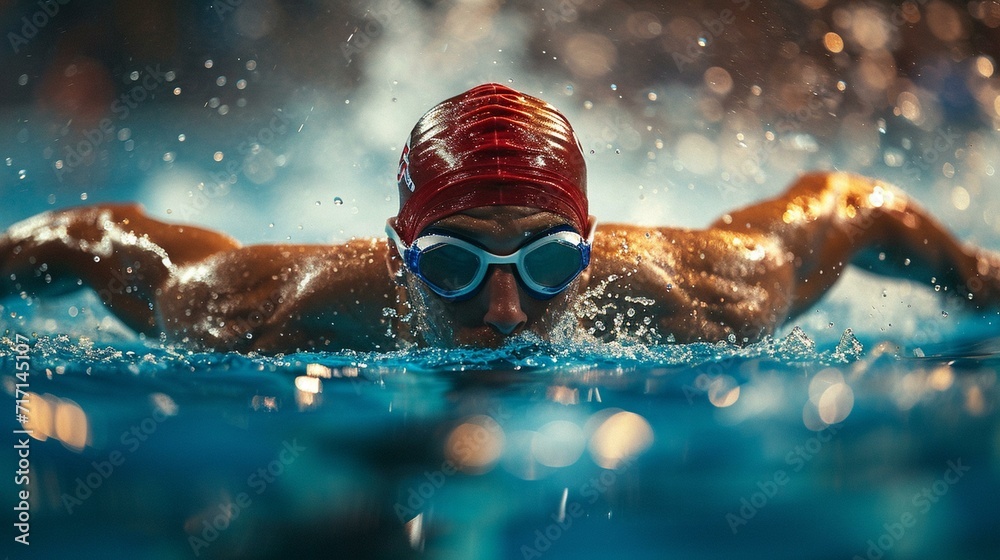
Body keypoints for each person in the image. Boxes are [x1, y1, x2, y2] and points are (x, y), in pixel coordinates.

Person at [2, 83, 999, 352]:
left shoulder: (698, 296)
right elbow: (91, 237)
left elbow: (846, 205)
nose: (508, 310)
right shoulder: (272, 310)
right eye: (454, 265)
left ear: (592, 249)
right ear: (400, 258)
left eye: (551, 260)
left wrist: (972, 280)